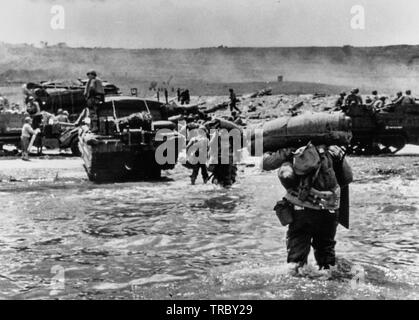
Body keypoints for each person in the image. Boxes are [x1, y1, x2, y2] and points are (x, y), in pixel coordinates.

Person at [263, 143, 353, 272]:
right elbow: (348, 177)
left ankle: (297, 288)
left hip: (301, 211)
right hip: (329, 211)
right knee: (327, 258)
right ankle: (330, 286)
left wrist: (278, 151)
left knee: (296, 262)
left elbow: (268, 164)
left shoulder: (294, 150)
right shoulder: (332, 150)